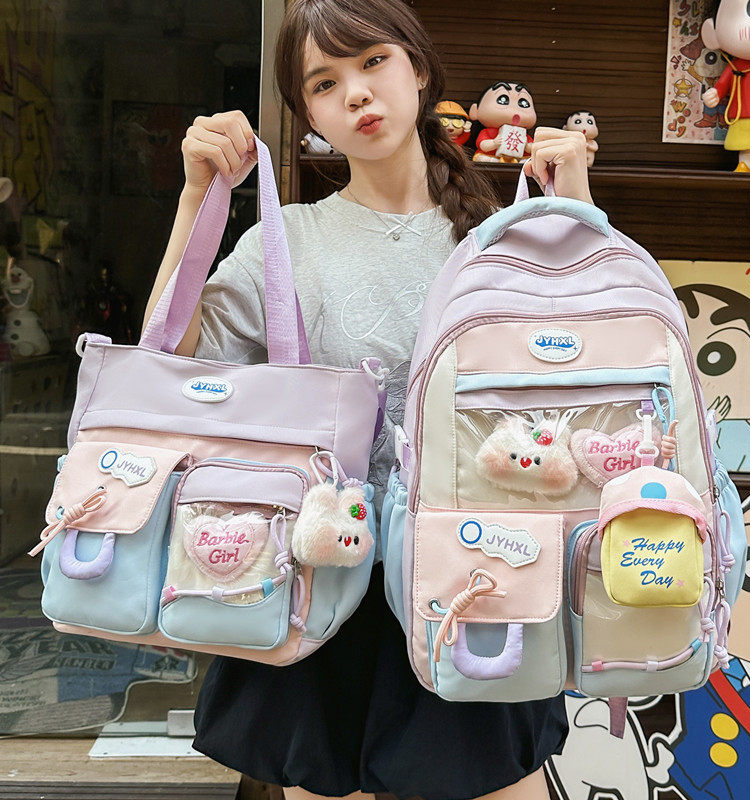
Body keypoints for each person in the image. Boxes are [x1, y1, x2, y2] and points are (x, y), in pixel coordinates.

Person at [142, 1, 594, 798]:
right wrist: (195, 198)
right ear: (308, 115)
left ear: (417, 70)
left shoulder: (506, 236)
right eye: (324, 83)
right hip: (320, 586)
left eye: (373, 62)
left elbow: (584, 378)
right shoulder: (289, 239)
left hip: (477, 576)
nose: (355, 92)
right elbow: (168, 360)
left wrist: (577, 217)